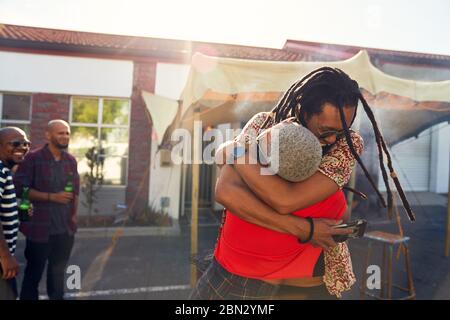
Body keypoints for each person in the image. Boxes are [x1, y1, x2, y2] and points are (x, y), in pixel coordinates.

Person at [190, 67, 414, 300]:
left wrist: (236, 153)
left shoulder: (347, 144)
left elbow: (286, 200)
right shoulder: (263, 124)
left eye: (341, 131)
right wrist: (307, 229)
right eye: (325, 130)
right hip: (237, 280)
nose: (332, 140)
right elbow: (226, 192)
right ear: (301, 109)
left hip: (309, 289)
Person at [14, 120, 80, 300]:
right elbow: (21, 189)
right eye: (60, 133)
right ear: (48, 135)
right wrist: (52, 197)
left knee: (58, 276)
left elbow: (75, 191)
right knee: (33, 275)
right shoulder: (33, 159)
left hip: (64, 231)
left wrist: (73, 217)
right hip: (39, 229)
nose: (65, 136)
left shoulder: (70, 161)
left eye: (67, 133)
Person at [0, 127, 31, 300]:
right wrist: (5, 256)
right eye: (16, 143)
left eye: (26, 143)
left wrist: (17, 213)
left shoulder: (5, 171)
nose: (23, 147)